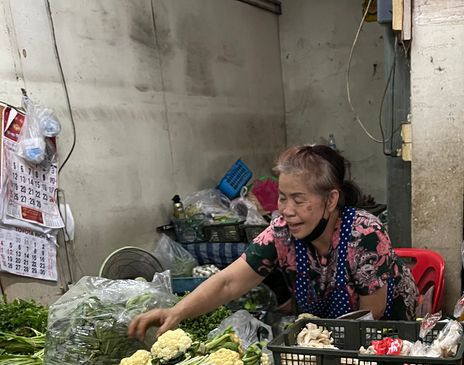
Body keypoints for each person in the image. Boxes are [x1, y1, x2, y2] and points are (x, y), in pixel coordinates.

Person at [129, 145, 418, 341]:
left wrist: (319, 345)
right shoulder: (282, 233)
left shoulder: (365, 234)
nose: (287, 210)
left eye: (298, 199)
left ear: (330, 200)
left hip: (385, 334)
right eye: (283, 197)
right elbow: (229, 282)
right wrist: (175, 312)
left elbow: (372, 313)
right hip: (328, 338)